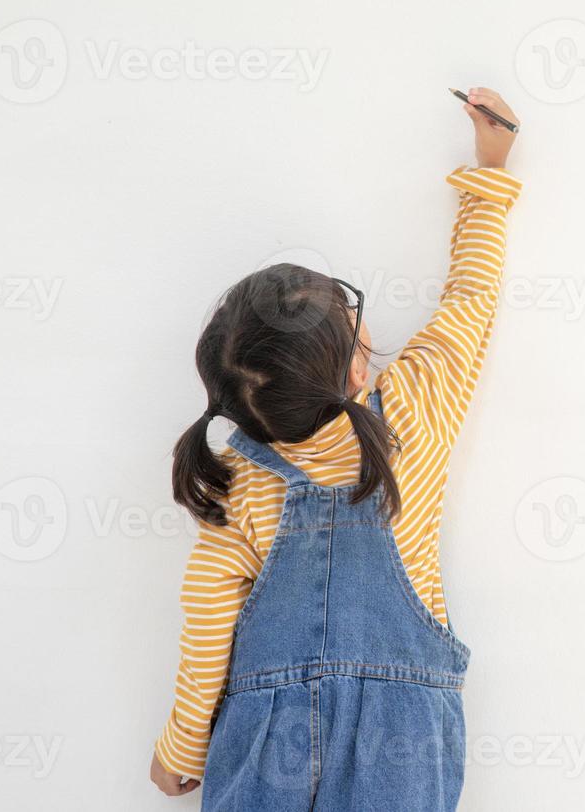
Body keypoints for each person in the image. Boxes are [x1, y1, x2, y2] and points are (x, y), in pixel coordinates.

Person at [148, 89, 522, 810]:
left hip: (264, 747)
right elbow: (471, 299)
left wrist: (180, 751)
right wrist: (491, 172)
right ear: (357, 370)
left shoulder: (236, 487)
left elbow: (206, 633)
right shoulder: (413, 415)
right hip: (402, 748)